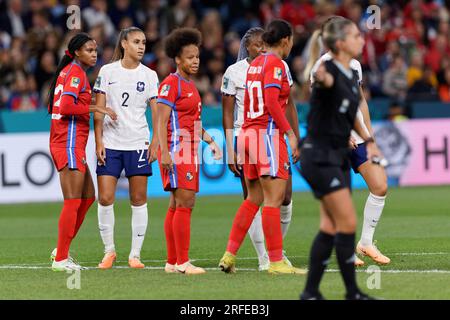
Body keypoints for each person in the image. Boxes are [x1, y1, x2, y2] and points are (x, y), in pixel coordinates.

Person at [299, 17, 382, 300]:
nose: (362, 39)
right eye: (356, 35)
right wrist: (320, 77)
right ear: (340, 43)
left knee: (331, 225)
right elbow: (324, 87)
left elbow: (351, 113)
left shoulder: (350, 72)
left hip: (333, 153)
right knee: (345, 222)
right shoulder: (327, 71)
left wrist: (369, 141)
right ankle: (352, 293)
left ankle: (312, 293)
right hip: (320, 154)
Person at [219, 19, 305, 275]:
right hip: (266, 135)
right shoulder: (277, 64)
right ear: (286, 40)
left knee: (252, 198)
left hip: (246, 134)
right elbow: (271, 101)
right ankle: (275, 261)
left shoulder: (254, 64)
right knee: (273, 199)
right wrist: (290, 134)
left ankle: (229, 255)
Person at [48, 33, 117, 271]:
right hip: (66, 143)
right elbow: (67, 107)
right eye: (89, 50)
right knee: (73, 201)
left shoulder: (71, 72)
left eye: (96, 49)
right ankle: (61, 259)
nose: (94, 53)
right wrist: (98, 107)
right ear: (77, 52)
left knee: (87, 198)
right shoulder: (76, 74)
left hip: (72, 143)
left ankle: (61, 249)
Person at [92, 27, 160, 269]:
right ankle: (109, 251)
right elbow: (98, 110)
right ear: (124, 44)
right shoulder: (107, 72)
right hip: (110, 143)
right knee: (106, 197)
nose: (141, 46)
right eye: (136, 42)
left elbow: (157, 111)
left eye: (144, 42)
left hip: (138, 142)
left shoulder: (150, 75)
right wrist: (98, 141)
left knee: (138, 198)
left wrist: (156, 140)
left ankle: (135, 255)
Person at [157, 27, 222, 275]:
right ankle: (183, 262)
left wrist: (210, 141)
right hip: (177, 150)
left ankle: (172, 262)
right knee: (185, 203)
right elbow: (161, 121)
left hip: (190, 148)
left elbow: (194, 124)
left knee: (175, 204)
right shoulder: (170, 84)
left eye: (197, 56)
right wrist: (164, 152)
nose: (195, 61)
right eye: (189, 57)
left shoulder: (191, 86)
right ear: (177, 59)